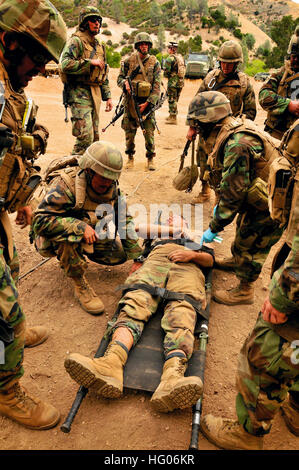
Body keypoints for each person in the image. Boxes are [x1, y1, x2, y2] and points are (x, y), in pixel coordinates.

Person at [199, 119, 299, 450]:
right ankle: (296, 409)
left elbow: (232, 192)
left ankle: (249, 433)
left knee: (264, 353)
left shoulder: (238, 142)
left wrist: (284, 297)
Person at [64, 214, 214, 412]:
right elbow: (138, 228)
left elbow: (210, 260)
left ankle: (172, 378)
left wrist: (192, 254)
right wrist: (174, 230)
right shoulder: (156, 237)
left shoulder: (197, 236)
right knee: (135, 303)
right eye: (166, 218)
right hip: (156, 261)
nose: (170, 219)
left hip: (189, 267)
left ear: (186, 220)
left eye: (175, 217)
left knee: (183, 310)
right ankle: (112, 363)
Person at [0, 0, 67, 429]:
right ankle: (6, 390)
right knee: (4, 307)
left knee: (12, 265)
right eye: (38, 57)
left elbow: (10, 148)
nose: (41, 69)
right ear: (9, 41)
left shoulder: (8, 85)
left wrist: (19, 195)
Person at [186, 91, 283, 305]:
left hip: (276, 200)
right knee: (244, 228)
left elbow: (233, 193)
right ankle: (236, 261)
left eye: (198, 122)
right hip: (263, 192)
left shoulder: (237, 144)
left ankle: (245, 289)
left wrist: (215, 226)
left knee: (252, 240)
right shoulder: (229, 128)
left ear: (210, 118)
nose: (196, 128)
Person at [30, 141, 143, 316]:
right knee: (67, 238)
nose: (107, 183)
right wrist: (79, 227)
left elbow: (124, 220)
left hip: (90, 235)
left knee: (118, 256)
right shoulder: (66, 185)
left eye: (111, 178)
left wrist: (137, 258)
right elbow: (40, 221)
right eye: (103, 177)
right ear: (89, 171)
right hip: (53, 237)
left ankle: (80, 252)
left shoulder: (111, 188)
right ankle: (79, 283)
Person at [192, 40, 257, 204]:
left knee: (222, 167)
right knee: (202, 161)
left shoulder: (244, 83)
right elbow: (197, 102)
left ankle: (219, 199)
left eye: (230, 64)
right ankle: (204, 190)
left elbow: (251, 111)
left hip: (228, 134)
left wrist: (236, 127)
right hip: (207, 130)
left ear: (237, 64)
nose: (226, 67)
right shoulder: (210, 79)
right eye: (223, 63)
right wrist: (193, 126)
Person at [59, 6, 113, 155]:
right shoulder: (76, 41)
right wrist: (89, 63)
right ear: (84, 22)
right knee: (85, 137)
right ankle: (72, 169)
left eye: (99, 21)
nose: (97, 24)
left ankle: (86, 172)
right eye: (93, 20)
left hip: (95, 94)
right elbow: (65, 64)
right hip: (78, 93)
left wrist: (107, 96)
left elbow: (103, 73)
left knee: (94, 138)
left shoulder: (99, 46)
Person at [117, 32, 161, 171]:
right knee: (129, 133)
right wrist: (125, 83)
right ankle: (130, 157)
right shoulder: (128, 61)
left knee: (149, 133)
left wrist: (148, 104)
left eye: (146, 44)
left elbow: (157, 86)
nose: (144, 46)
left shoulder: (155, 63)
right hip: (130, 102)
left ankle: (150, 158)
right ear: (137, 46)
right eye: (141, 44)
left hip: (147, 104)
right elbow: (119, 79)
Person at [259, 30, 299, 140]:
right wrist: (288, 104)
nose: (295, 60)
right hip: (277, 136)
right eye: (293, 56)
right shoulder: (280, 75)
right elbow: (263, 96)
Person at [163, 41, 185, 125]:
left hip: (173, 82)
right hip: (180, 82)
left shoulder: (170, 58)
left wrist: (166, 74)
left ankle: (173, 118)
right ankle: (171, 115)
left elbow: (166, 72)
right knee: (175, 99)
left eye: (169, 48)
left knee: (172, 99)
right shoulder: (180, 57)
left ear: (172, 49)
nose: (168, 49)